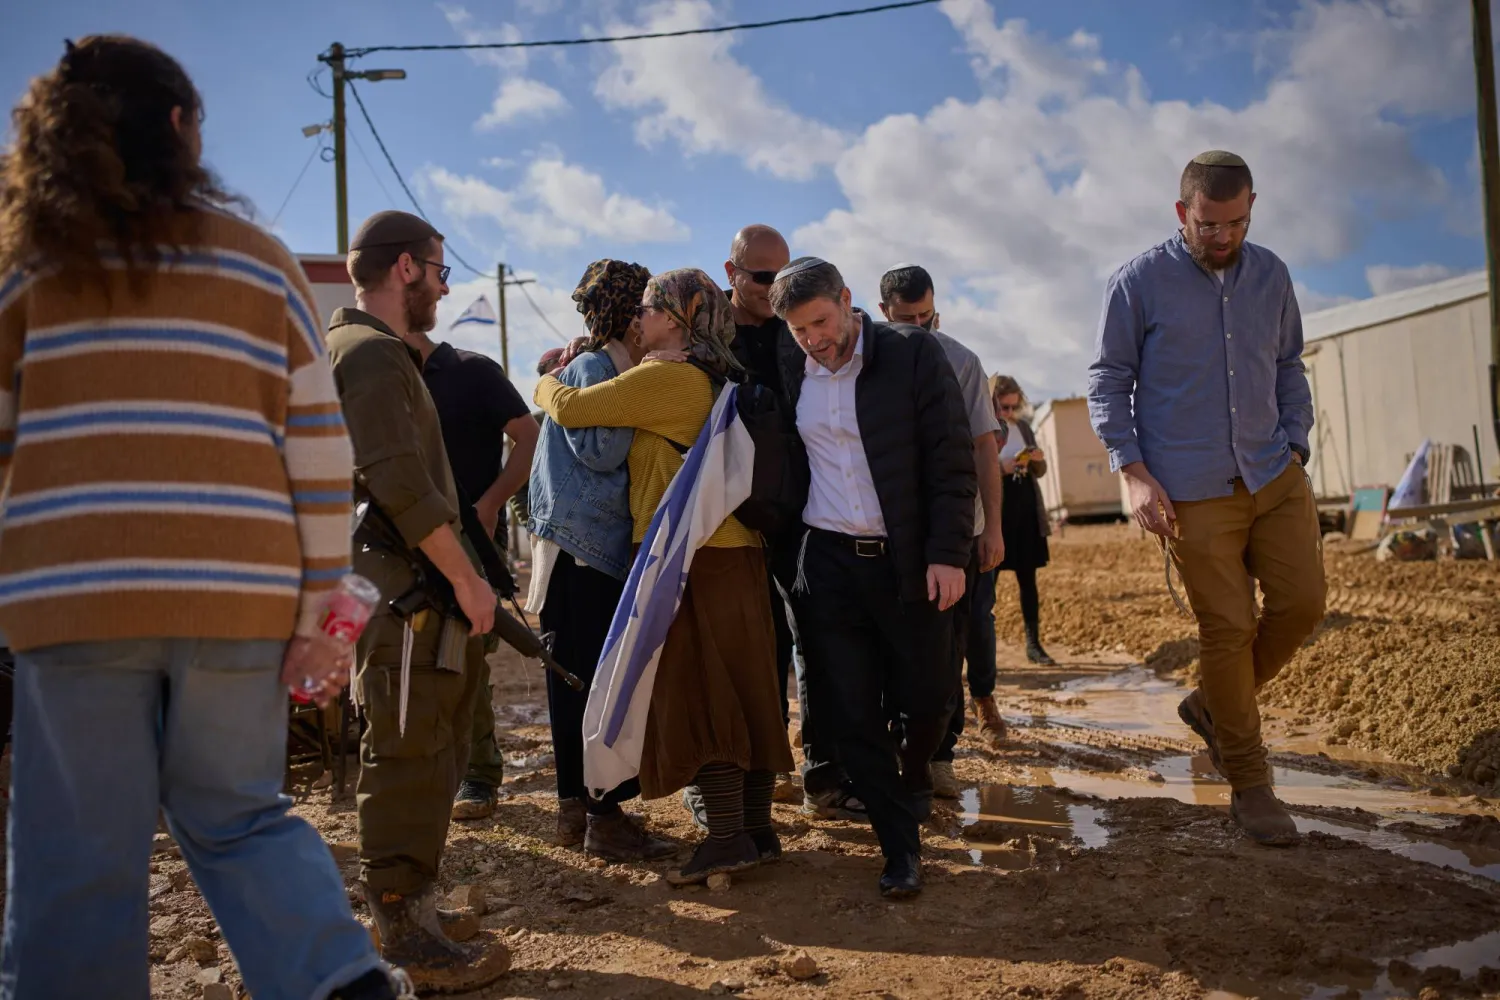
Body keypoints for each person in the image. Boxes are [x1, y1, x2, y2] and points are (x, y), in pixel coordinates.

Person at [0, 35, 404, 1000]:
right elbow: (317, 455)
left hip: (75, 598)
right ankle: (336, 980)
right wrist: (322, 613)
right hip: (240, 598)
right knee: (237, 815)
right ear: (180, 128)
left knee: (78, 854)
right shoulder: (260, 267)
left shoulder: (26, 273)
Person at [1087, 150, 1324, 847]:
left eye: (1237, 222)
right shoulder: (1137, 283)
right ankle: (1251, 785)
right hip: (1192, 492)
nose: (1223, 237)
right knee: (1228, 628)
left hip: (1275, 476)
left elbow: (1287, 366)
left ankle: (1212, 705)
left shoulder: (1271, 274)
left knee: (1303, 605)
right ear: (1182, 212)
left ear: (1252, 207)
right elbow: (1108, 381)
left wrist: (1298, 445)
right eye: (1209, 224)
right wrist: (1131, 472)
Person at [534, 268, 795, 884]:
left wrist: (544, 378)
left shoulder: (665, 377)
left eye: (650, 309)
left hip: (697, 560)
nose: (639, 319)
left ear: (678, 318)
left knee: (701, 691)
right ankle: (756, 832)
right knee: (744, 688)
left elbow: (571, 408)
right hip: (735, 555)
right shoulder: (711, 374)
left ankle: (727, 837)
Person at [327, 210, 510, 991]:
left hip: (406, 583)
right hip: (402, 587)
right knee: (406, 747)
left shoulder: (373, 353)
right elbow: (399, 480)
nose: (442, 285)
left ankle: (414, 906)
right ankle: (402, 929)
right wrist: (467, 578)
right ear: (405, 270)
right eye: (438, 271)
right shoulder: (369, 355)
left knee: (428, 741)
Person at [770, 257, 976, 899]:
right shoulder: (786, 365)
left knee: (929, 695)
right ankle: (899, 848)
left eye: (822, 322)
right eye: (800, 330)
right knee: (851, 708)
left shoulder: (913, 355)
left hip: (907, 560)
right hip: (827, 562)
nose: (815, 339)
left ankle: (914, 777)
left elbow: (951, 457)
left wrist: (947, 553)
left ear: (848, 301)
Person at [526, 259, 677, 862]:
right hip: (582, 554)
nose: (649, 318)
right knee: (587, 684)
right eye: (641, 306)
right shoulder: (595, 368)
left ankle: (579, 811)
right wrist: (640, 401)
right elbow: (600, 450)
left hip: (580, 550)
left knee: (579, 682)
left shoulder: (590, 366)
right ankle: (600, 817)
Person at [878, 265, 1008, 804]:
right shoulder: (864, 360)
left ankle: (941, 756)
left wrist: (992, 527)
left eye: (927, 317)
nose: (919, 328)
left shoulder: (962, 361)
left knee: (947, 650)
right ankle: (890, 753)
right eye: (907, 319)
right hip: (887, 534)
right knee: (889, 649)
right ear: (884, 311)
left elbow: (984, 448)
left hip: (956, 532)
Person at [407, 298, 538, 824]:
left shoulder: (472, 371)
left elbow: (528, 437)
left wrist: (490, 503)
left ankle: (478, 776)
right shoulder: (381, 375)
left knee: (468, 658)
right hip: (401, 545)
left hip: (472, 544)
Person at [991, 375, 1056, 666]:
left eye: (1013, 408)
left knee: (1028, 581)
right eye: (1003, 407)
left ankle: (1033, 645)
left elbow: (1040, 472)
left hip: (1026, 511)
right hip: (997, 515)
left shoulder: (1025, 428)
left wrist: (1036, 458)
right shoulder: (986, 428)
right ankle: (983, 654)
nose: (1008, 414)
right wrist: (1001, 468)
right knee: (986, 588)